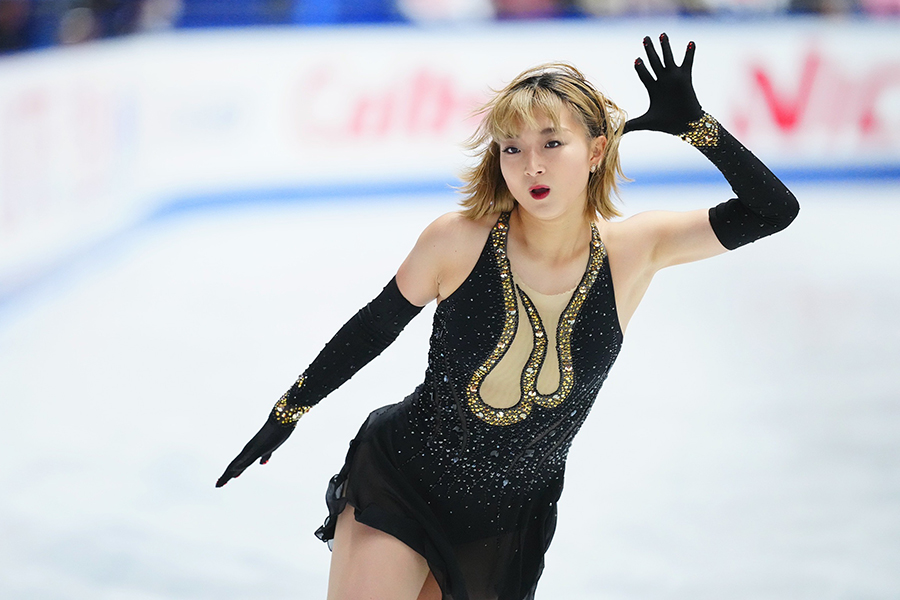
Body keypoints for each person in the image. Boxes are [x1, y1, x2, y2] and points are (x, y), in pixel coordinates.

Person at [216, 34, 799, 600]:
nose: (530, 167)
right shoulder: (458, 239)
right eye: (512, 147)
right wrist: (288, 410)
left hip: (509, 518)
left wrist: (697, 128)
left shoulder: (634, 249)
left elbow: (773, 210)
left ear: (596, 152)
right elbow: (375, 326)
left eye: (552, 144)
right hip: (404, 477)